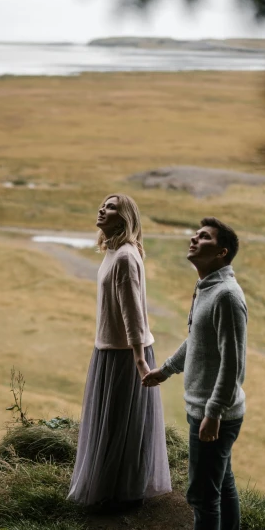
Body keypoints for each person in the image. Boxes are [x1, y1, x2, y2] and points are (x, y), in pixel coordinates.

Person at [143, 217, 247, 530]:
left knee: (203, 495)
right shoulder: (208, 288)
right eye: (196, 233)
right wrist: (166, 370)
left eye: (203, 237)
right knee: (223, 483)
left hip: (213, 412)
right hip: (208, 409)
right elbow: (197, 341)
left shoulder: (227, 296)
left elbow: (233, 363)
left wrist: (213, 413)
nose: (193, 238)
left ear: (221, 252)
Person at [67, 194, 171, 511]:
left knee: (121, 423)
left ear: (124, 218)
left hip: (125, 353)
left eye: (110, 206)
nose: (102, 208)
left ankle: (124, 494)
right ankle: (113, 489)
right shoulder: (114, 252)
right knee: (113, 421)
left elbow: (133, 313)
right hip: (110, 348)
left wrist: (140, 360)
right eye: (102, 204)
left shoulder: (125, 257)